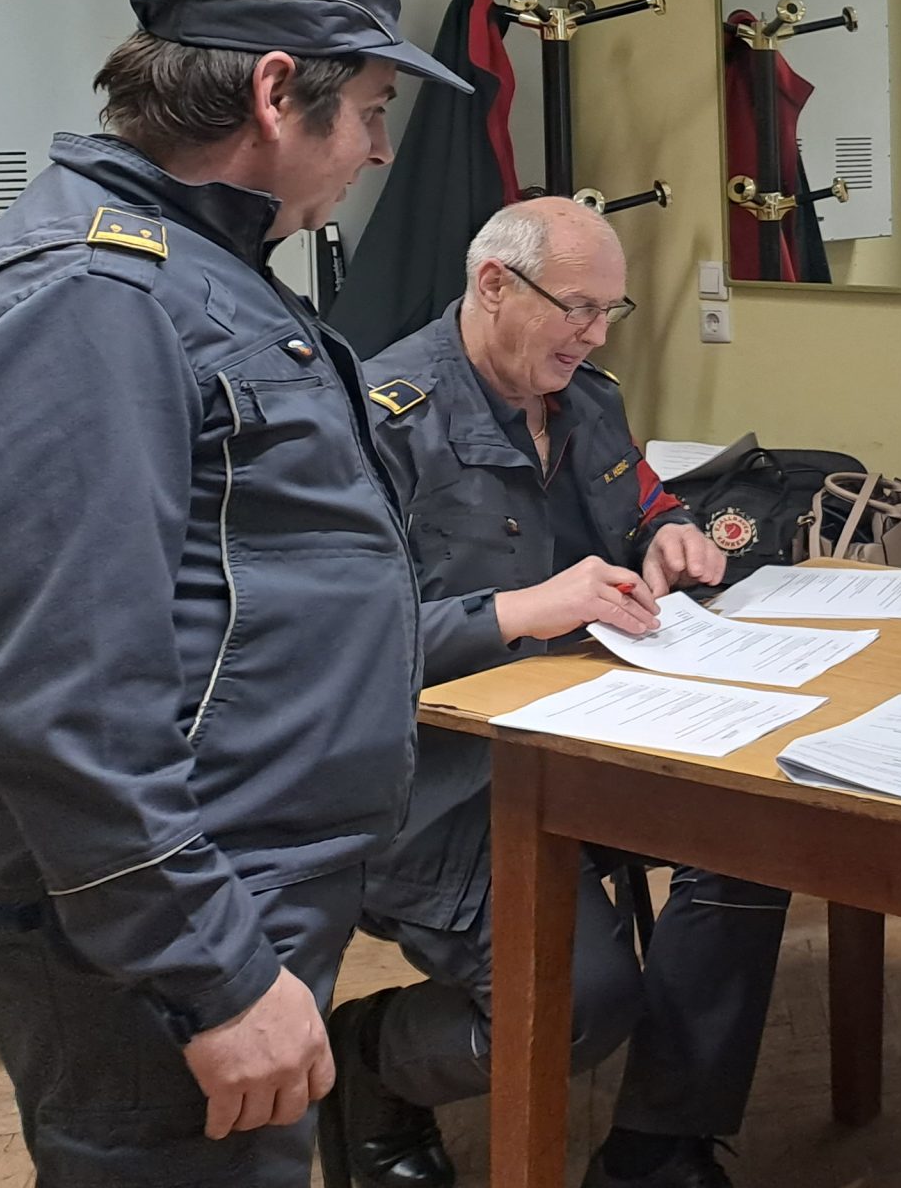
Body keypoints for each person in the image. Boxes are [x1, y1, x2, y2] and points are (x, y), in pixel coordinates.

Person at [0, 0, 471, 1186]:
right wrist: (214, 973)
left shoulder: (201, 267)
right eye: (371, 112)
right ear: (276, 92)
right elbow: (67, 694)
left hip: (237, 881)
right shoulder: (95, 296)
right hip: (162, 924)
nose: (380, 151)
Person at [329, 198, 788, 1188]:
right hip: (438, 785)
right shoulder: (382, 422)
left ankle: (657, 1144)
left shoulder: (586, 399)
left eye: (610, 311)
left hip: (592, 735)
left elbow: (639, 505)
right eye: (578, 308)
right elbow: (338, 643)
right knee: (580, 1003)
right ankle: (370, 1058)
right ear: (494, 285)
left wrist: (668, 535)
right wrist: (523, 609)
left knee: (758, 840)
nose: (595, 334)